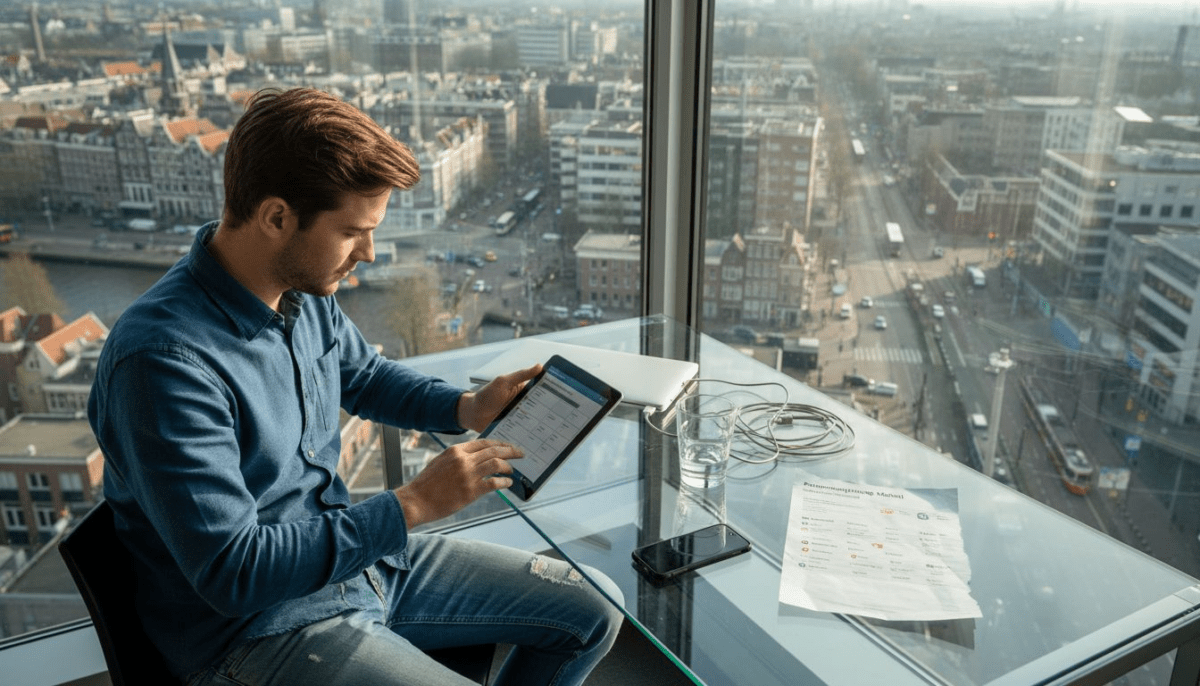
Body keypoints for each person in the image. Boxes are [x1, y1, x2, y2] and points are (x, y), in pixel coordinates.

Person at [88, 87, 623, 686]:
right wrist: (414, 503)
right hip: (257, 632)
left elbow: (363, 377)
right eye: (352, 232)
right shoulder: (163, 363)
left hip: (359, 562)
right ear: (275, 217)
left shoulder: (301, 290)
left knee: (596, 607)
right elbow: (234, 573)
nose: (368, 253)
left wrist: (466, 407)